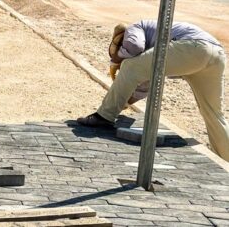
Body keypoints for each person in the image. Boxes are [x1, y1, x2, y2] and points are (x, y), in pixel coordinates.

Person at [77, 20, 229, 161]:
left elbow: (135, 47)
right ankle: (225, 159)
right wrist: (124, 99)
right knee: (214, 113)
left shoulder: (134, 28)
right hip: (216, 54)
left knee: (131, 65)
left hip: (193, 47)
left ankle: (104, 116)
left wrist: (118, 59)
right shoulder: (153, 53)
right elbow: (145, 83)